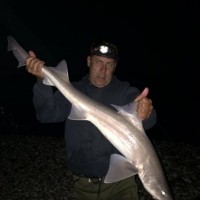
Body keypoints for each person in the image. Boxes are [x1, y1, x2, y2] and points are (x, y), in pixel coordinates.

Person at [25, 40, 157, 200]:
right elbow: (46, 115)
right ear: (89, 61)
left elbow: (147, 122)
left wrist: (145, 111)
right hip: (82, 185)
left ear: (114, 67)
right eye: (98, 62)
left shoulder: (125, 92)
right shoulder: (73, 90)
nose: (103, 70)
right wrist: (41, 83)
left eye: (109, 64)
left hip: (120, 184)